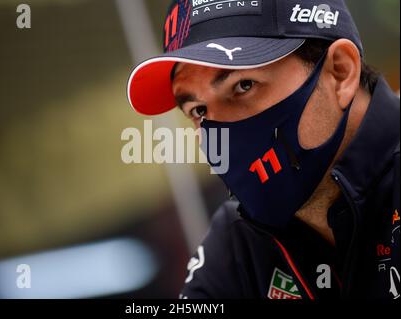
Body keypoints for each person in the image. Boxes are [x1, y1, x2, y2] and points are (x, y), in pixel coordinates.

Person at [127, 0, 400, 299]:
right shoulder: (238, 243)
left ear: (340, 72)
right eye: (200, 110)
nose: (222, 135)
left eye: (243, 85)